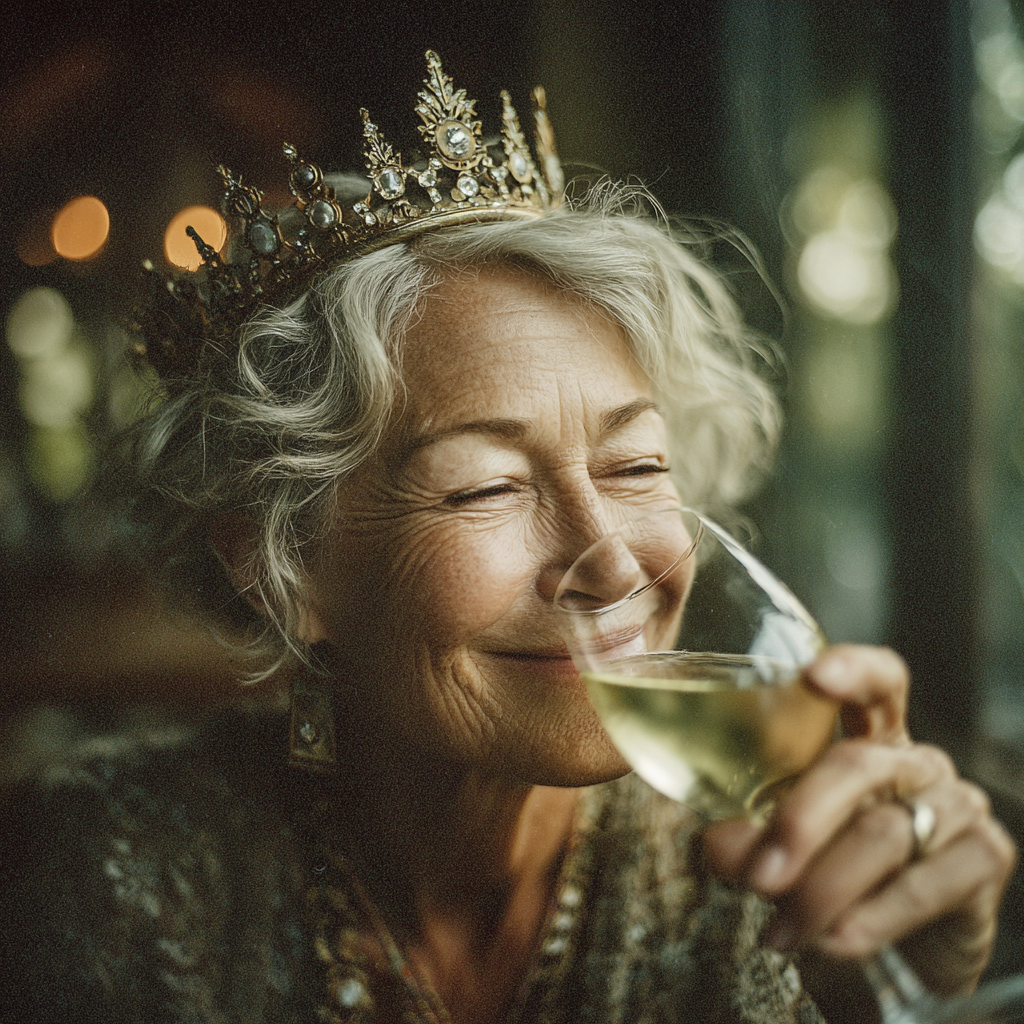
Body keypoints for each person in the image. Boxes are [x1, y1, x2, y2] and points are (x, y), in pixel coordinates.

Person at [0, 51, 1015, 1024]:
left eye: (636, 467)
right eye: (485, 486)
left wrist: (894, 994)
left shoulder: (775, 858)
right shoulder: (97, 879)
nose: (614, 563)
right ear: (284, 568)